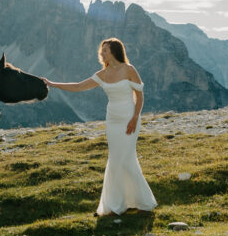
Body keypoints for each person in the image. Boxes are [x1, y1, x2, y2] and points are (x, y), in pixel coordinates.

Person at [43, 37, 157, 215]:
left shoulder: (129, 69)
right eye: (102, 50)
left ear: (114, 52)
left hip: (129, 118)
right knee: (115, 160)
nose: (101, 53)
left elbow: (140, 96)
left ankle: (141, 202)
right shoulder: (102, 74)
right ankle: (114, 205)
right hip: (112, 121)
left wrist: (135, 117)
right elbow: (79, 86)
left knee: (126, 159)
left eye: (105, 50)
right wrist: (53, 84)